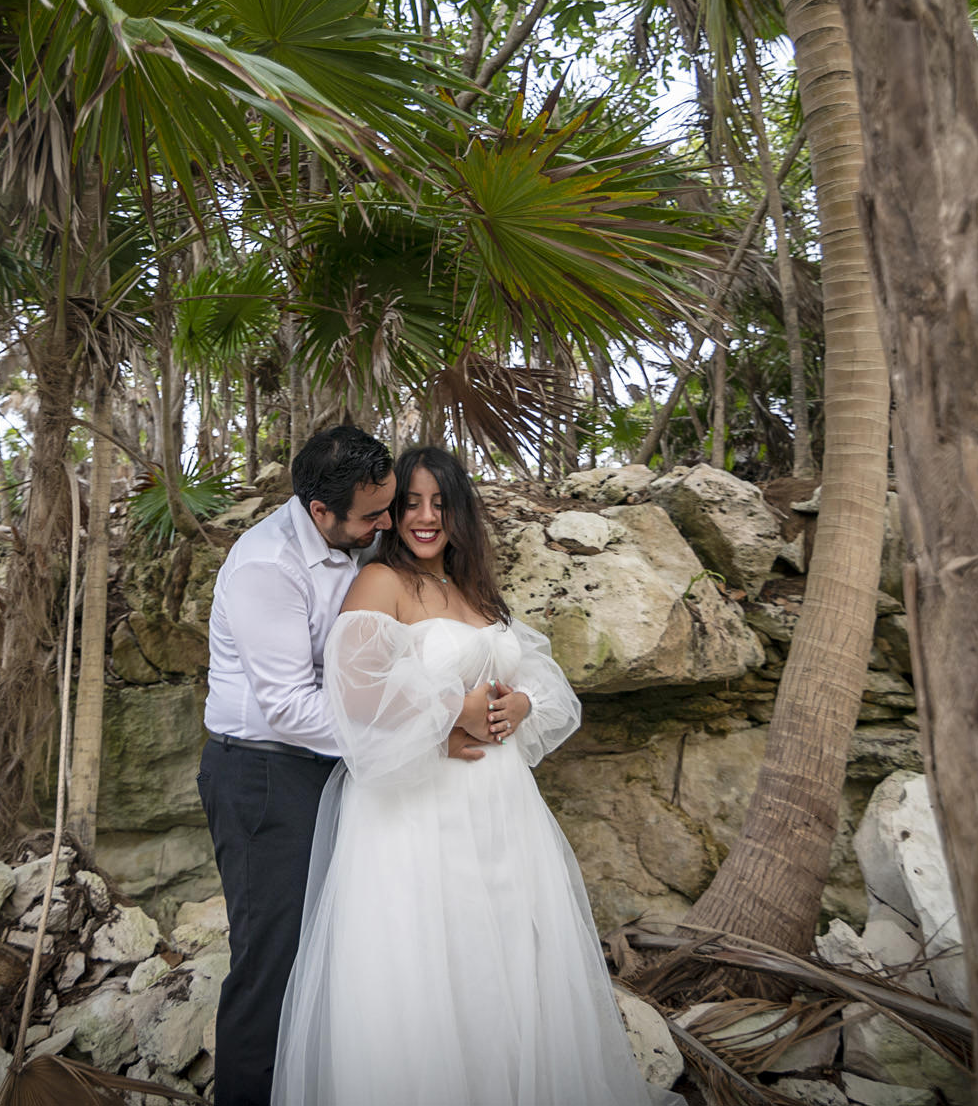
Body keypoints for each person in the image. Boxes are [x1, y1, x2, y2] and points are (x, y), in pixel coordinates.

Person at [271, 446, 680, 1106]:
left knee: (508, 961)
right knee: (435, 967)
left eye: (440, 501)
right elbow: (355, 693)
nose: (425, 516)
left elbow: (541, 678)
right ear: (393, 512)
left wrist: (522, 704)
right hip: (416, 808)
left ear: (459, 510)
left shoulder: (474, 588)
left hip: (501, 804)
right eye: (410, 503)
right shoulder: (381, 583)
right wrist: (448, 713)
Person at [199, 424, 398, 1106]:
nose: (387, 523)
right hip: (260, 778)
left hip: (328, 770)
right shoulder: (266, 566)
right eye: (373, 515)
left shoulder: (359, 538)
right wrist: (408, 728)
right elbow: (288, 706)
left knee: (334, 951)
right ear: (321, 512)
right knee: (272, 960)